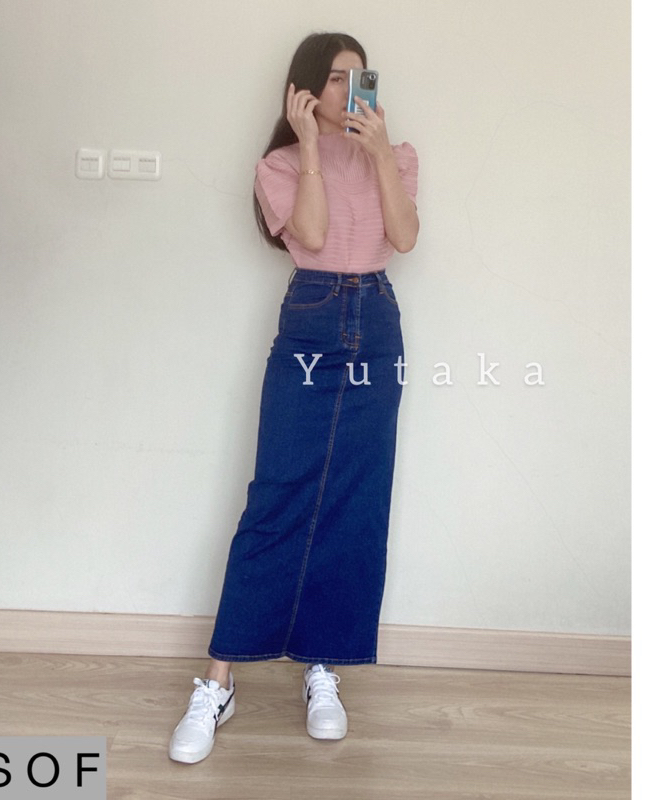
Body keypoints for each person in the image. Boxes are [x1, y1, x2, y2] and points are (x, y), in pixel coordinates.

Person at [169, 31, 418, 764]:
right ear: (305, 89)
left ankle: (322, 667)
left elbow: (404, 237)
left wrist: (379, 154)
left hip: (377, 321)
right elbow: (309, 233)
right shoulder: (278, 164)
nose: (349, 91)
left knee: (356, 498)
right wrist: (310, 145)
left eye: (359, 77)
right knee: (277, 494)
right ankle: (218, 682)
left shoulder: (398, 156)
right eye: (335, 78)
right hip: (311, 316)